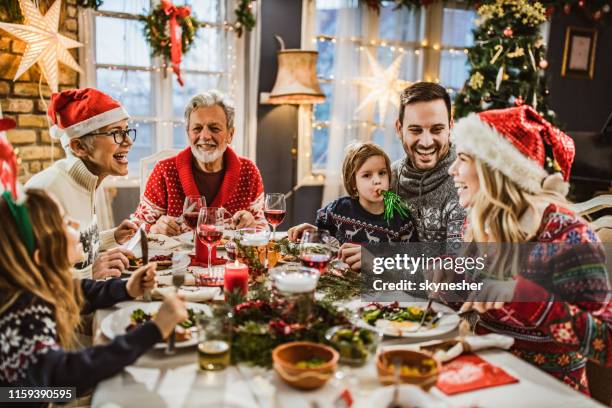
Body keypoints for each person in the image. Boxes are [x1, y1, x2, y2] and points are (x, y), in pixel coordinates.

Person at [446, 105, 611, 393]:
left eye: (461, 159)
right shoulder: (479, 224)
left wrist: (523, 296)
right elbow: (477, 303)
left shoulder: (569, 236)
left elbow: (606, 345)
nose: (452, 170)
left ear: (495, 171)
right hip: (487, 380)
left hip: (549, 393)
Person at [0, 188, 188, 401]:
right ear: (41, 256)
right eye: (64, 222)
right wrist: (154, 330)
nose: (76, 225)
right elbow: (62, 378)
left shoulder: (36, 285)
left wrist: (127, 288)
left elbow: (80, 291)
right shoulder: (20, 313)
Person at [335, 82, 466, 270]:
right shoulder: (389, 177)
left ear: (450, 126)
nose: (426, 142)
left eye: (437, 129)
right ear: (399, 128)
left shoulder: (466, 185)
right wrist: (321, 236)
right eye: (415, 130)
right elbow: (357, 226)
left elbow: (457, 278)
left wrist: (380, 265)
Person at [26, 88, 138, 280]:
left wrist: (113, 237)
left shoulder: (87, 180)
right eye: (116, 133)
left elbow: (76, 250)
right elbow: (30, 277)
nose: (128, 141)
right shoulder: (45, 192)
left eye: (127, 131)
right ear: (79, 147)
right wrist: (90, 273)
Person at [131, 90, 265, 235]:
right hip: (175, 258)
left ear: (230, 135)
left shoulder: (248, 171)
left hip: (231, 257)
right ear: (188, 132)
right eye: (197, 128)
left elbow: (262, 228)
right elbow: (135, 228)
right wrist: (154, 228)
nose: (205, 136)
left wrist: (253, 226)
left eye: (214, 128)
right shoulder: (165, 170)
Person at [288, 142, 417, 254]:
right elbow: (327, 244)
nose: (377, 181)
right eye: (367, 175)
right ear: (353, 183)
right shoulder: (337, 210)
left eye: (382, 173)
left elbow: (411, 265)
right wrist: (314, 234)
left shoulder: (402, 219)